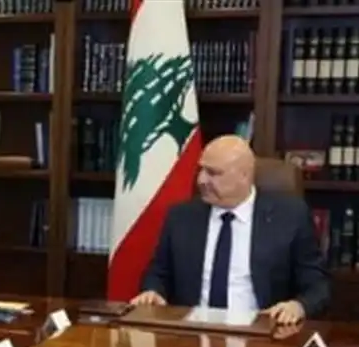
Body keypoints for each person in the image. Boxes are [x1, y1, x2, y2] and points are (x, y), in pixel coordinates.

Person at [131, 135, 329, 324]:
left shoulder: (290, 216)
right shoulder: (181, 217)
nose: (201, 180)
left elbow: (318, 285)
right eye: (201, 170)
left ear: (244, 175)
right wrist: (153, 291)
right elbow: (159, 272)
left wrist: (298, 306)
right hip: (192, 332)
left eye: (213, 173)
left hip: (261, 332)